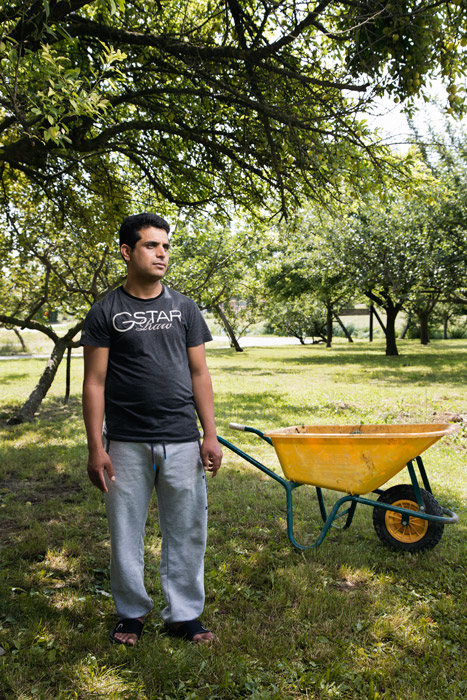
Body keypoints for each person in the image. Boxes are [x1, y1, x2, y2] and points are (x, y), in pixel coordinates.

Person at [81, 212, 222, 646]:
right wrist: (95, 446)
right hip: (125, 441)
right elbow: (95, 382)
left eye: (165, 246)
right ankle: (131, 613)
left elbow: (200, 373)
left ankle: (183, 615)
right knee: (125, 529)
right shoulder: (107, 311)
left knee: (186, 528)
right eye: (150, 245)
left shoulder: (183, 308)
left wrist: (210, 434)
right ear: (127, 252)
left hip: (181, 438)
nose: (161, 253)